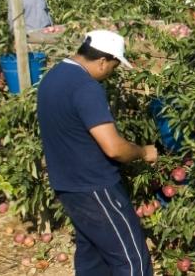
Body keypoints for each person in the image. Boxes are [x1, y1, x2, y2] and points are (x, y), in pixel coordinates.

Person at [36, 30, 156, 276]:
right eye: (113, 66)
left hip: (67, 186)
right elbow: (113, 148)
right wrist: (144, 151)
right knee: (132, 260)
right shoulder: (86, 87)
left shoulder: (53, 76)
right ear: (103, 61)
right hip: (95, 187)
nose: (111, 73)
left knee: (93, 259)